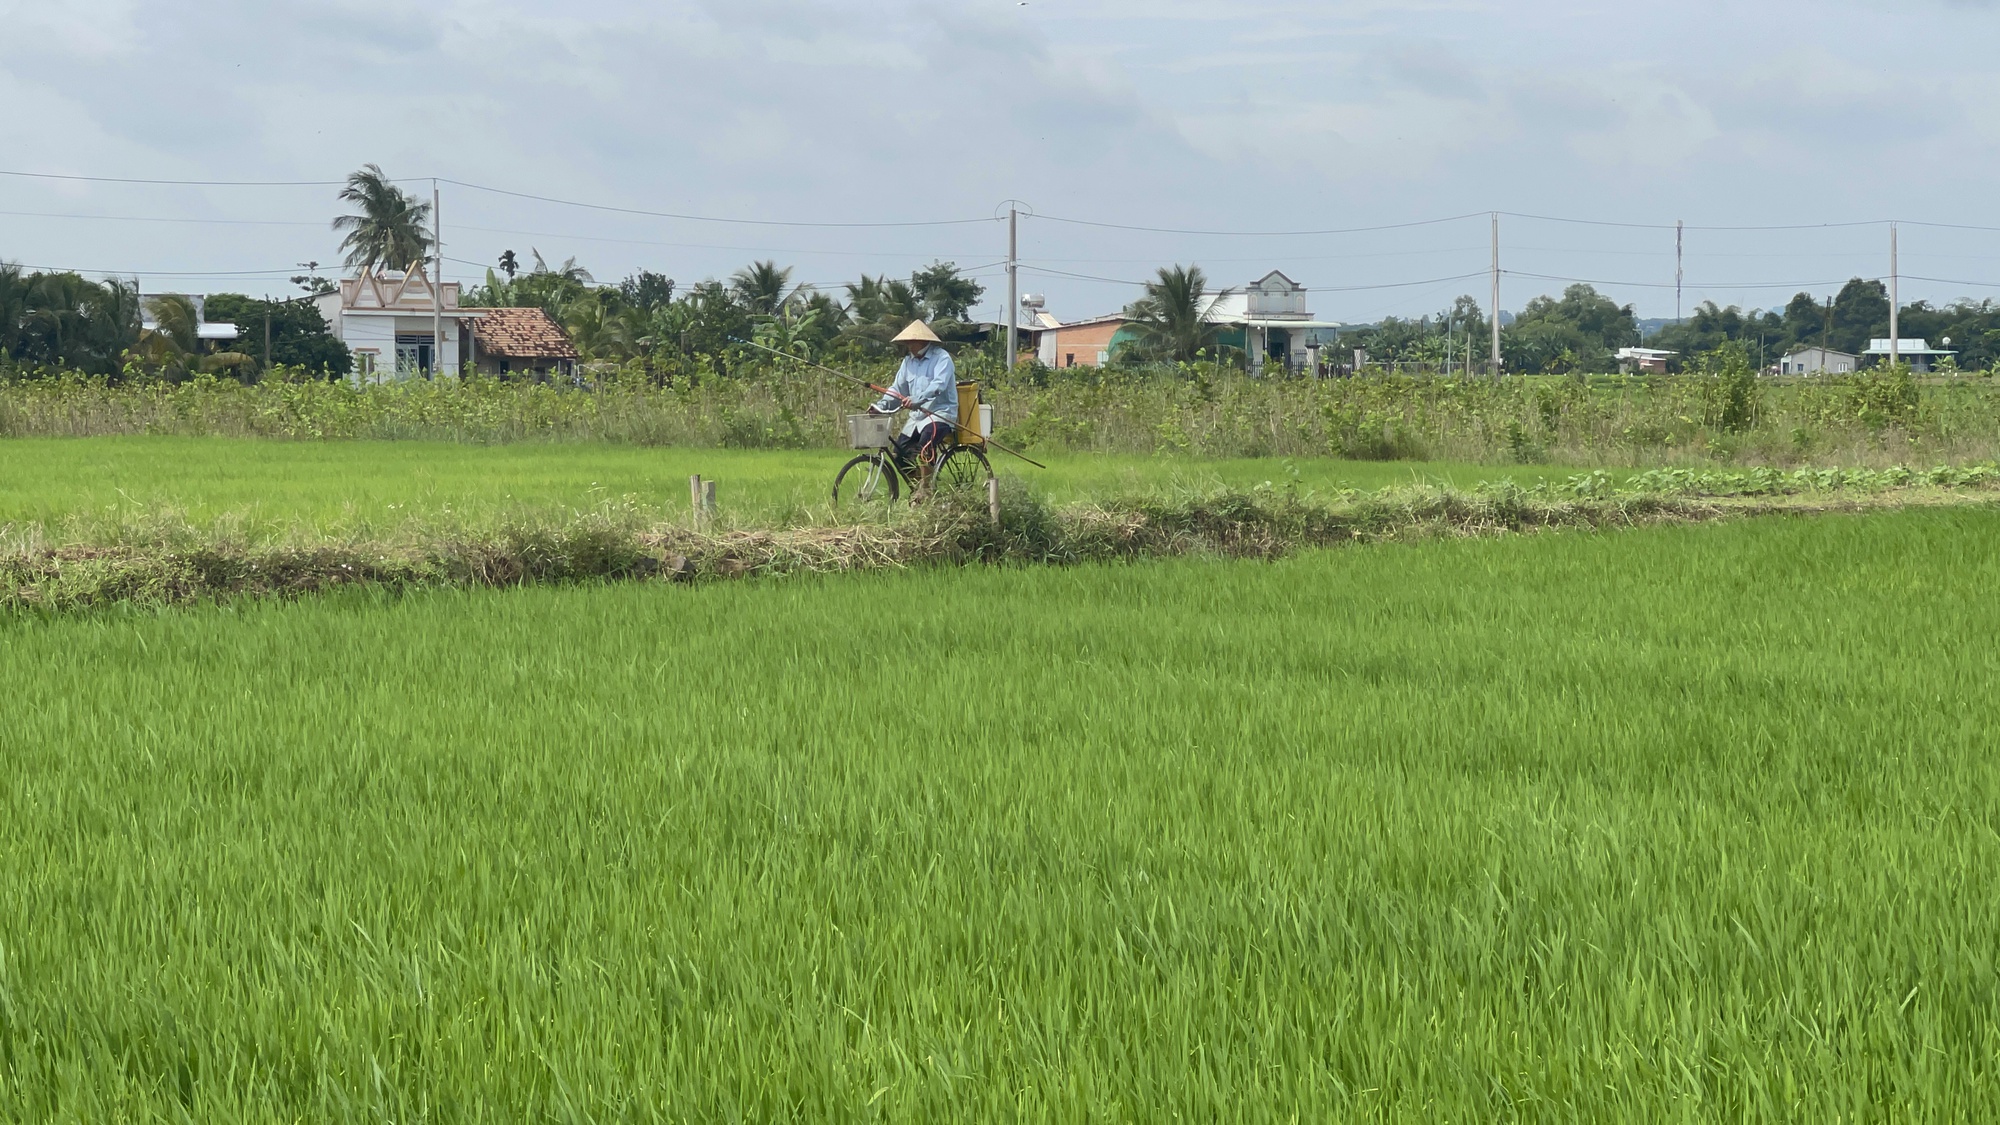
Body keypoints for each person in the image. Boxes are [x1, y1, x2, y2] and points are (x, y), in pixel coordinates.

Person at [869, 320, 958, 477]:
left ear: (923, 340)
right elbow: (897, 389)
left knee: (926, 446)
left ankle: (926, 489)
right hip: (917, 418)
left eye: (912, 341)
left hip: (940, 414)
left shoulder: (942, 358)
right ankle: (918, 486)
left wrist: (918, 399)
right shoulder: (907, 362)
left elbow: (938, 385)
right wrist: (881, 405)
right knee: (900, 453)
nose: (909, 345)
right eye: (907, 341)